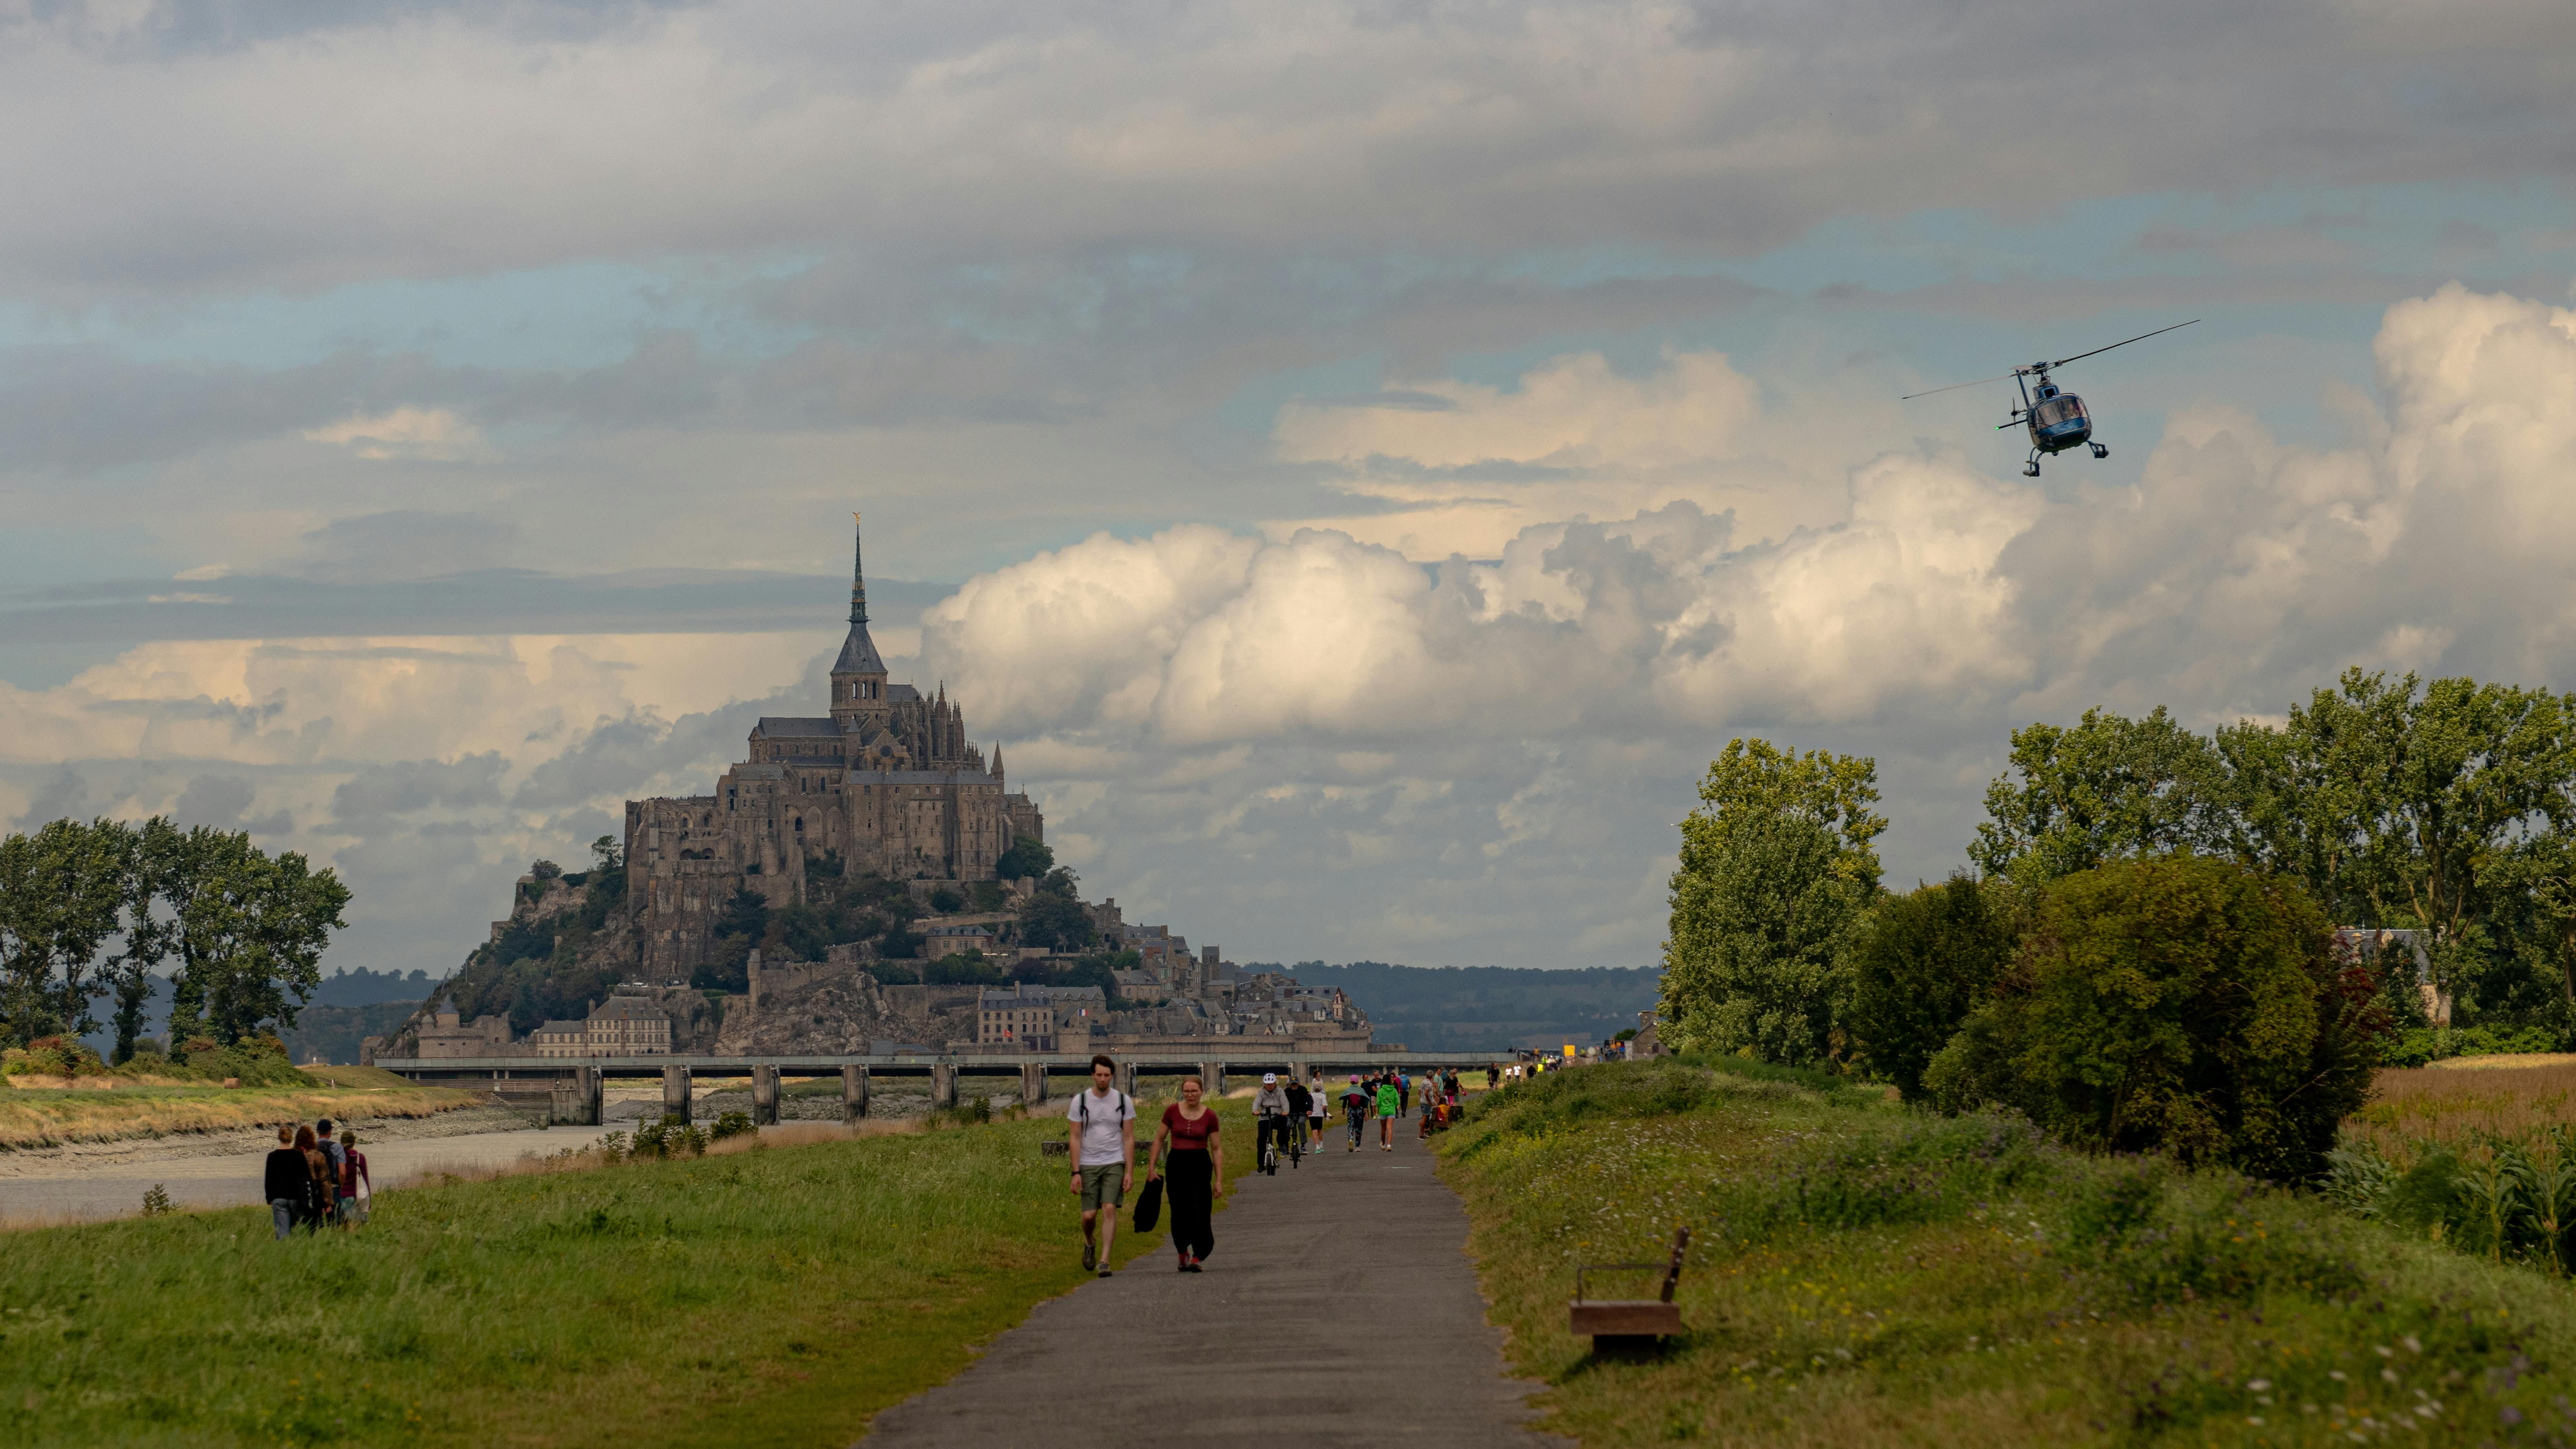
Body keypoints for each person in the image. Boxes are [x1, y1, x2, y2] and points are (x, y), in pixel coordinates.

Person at [1065, 1054, 1134, 1278]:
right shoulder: (1081, 1102)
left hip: (1114, 1161)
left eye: (1107, 1075)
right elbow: (1075, 1137)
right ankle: (1089, 1242)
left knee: (1109, 1208)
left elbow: (1129, 1137)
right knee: (1089, 1216)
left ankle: (1104, 1260)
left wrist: (1130, 1171)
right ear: (1093, 1075)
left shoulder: (1123, 1101)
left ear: (1112, 1076)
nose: (1103, 1079)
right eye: (1099, 1075)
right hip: (1088, 1163)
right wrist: (1076, 1172)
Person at [1148, 1075, 1223, 1272]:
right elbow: (1159, 1139)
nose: (1191, 1095)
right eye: (1187, 1091)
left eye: (1194, 1091)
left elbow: (1216, 1148)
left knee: (1200, 1209)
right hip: (1177, 1163)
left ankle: (1199, 1256)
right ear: (1183, 1092)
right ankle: (1182, 1252)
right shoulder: (1172, 1112)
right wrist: (1151, 1167)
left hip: (1200, 1163)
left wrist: (1219, 1180)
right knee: (1179, 1210)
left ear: (1201, 1092)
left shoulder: (1210, 1116)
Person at [264, 1124, 306, 1240]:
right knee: (298, 1232)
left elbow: (269, 1179)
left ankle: (284, 1253)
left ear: (279, 1138)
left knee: (283, 1235)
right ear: (292, 1138)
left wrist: (269, 1198)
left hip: (279, 1198)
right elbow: (305, 1177)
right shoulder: (299, 1156)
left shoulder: (272, 1157)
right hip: (296, 1198)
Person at [295, 1126, 332, 1232]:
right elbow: (324, 1181)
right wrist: (328, 1202)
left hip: (296, 1196)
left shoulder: (293, 1155)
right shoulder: (318, 1156)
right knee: (312, 1228)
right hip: (313, 1197)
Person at [1251, 1072, 1290, 1174]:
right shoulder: (1261, 1093)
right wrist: (1255, 1110)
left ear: (1275, 1083)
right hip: (1265, 1117)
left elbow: (1285, 1103)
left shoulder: (1280, 1092)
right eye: (1267, 1084)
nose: (1269, 1086)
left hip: (1278, 1115)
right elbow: (1257, 1103)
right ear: (1264, 1084)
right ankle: (1261, 1164)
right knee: (1261, 1139)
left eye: (1271, 1084)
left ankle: (1281, 1143)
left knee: (1284, 1122)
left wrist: (1285, 1111)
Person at [315, 1119, 347, 1228]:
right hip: (333, 1186)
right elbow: (342, 1172)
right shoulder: (338, 1148)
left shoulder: (311, 1147)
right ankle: (333, 1236)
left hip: (316, 1187)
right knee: (334, 1219)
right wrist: (341, 1185)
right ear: (331, 1132)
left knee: (315, 1219)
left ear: (317, 1131)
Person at [340, 1131, 371, 1226]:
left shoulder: (339, 1157)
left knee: (342, 1226)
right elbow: (365, 1178)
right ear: (354, 1142)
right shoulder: (360, 1158)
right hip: (357, 1195)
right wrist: (369, 1199)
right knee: (356, 1225)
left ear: (342, 1142)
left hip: (341, 1195)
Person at [1283, 1075, 1313, 1152]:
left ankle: (1303, 1146)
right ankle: (1286, 1145)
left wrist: (1310, 1110)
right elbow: (1282, 1102)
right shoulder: (1286, 1091)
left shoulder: (1303, 1089)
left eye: (1296, 1084)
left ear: (1299, 1083)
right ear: (1289, 1084)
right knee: (1287, 1126)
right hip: (1289, 1113)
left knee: (1301, 1123)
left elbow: (1310, 1100)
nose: (1294, 1086)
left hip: (1302, 1112)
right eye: (1293, 1084)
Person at [1341, 1076, 1368, 1151]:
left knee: (1351, 1126)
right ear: (1358, 1082)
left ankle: (1351, 1138)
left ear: (1351, 1082)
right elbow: (1365, 1102)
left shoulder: (1348, 1090)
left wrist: (1343, 1109)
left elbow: (1345, 1100)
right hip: (1360, 1110)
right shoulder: (1361, 1090)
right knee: (1359, 1128)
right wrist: (1366, 1113)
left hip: (1351, 1110)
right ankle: (1358, 1146)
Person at [1375, 1074, 1400, 1151]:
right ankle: (1389, 1145)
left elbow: (1378, 1102)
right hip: (1391, 1111)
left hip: (1383, 1110)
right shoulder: (1394, 1090)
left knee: (1383, 1128)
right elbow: (1397, 1102)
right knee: (1390, 1128)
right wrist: (1394, 1106)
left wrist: (1379, 1109)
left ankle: (1383, 1144)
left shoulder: (1380, 1091)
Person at [1303, 1074, 1327, 1150]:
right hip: (1320, 1115)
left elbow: (1307, 1105)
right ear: (1321, 1089)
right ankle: (1321, 1145)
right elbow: (1324, 1106)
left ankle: (1316, 1146)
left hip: (1312, 1115)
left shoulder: (1311, 1096)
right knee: (1320, 1130)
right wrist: (1323, 1113)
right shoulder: (1322, 1096)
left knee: (1314, 1130)